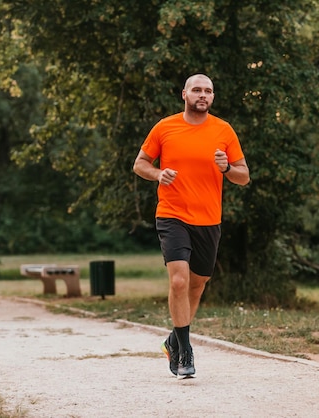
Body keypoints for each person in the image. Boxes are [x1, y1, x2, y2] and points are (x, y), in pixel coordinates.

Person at [133, 74, 250, 378]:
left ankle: (174, 340)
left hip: (209, 220)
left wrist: (227, 168)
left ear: (212, 97)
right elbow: (140, 164)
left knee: (197, 285)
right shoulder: (165, 127)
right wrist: (158, 174)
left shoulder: (223, 130)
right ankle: (185, 353)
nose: (203, 95)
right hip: (172, 214)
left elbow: (244, 175)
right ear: (184, 94)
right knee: (179, 282)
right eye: (197, 90)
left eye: (208, 91)